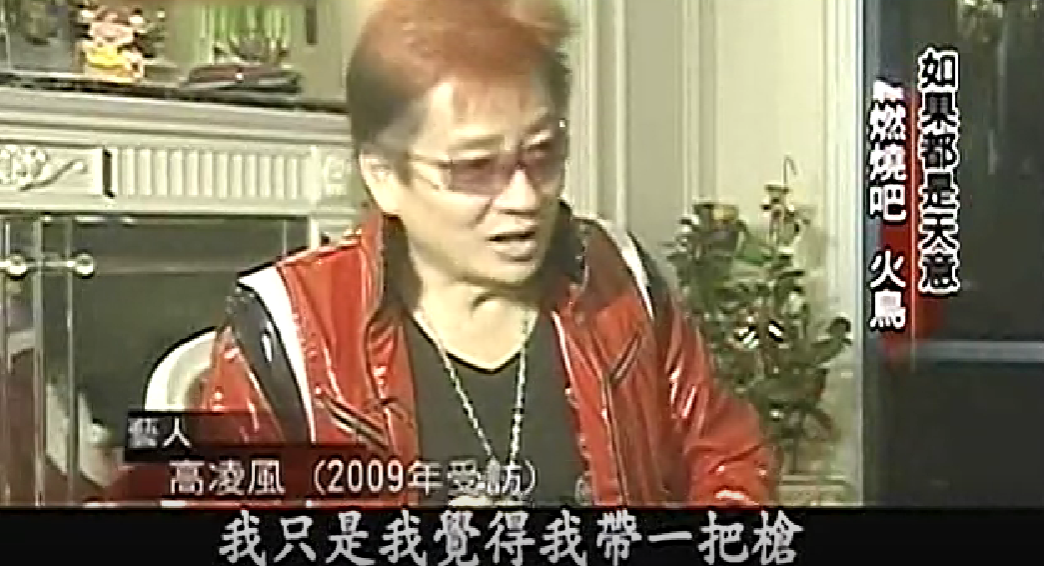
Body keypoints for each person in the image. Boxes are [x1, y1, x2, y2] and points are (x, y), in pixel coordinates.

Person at [110, 0, 772, 507]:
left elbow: (729, 458)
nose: (524, 198)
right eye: (474, 168)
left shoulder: (618, 277)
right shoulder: (284, 328)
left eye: (543, 155)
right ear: (383, 177)